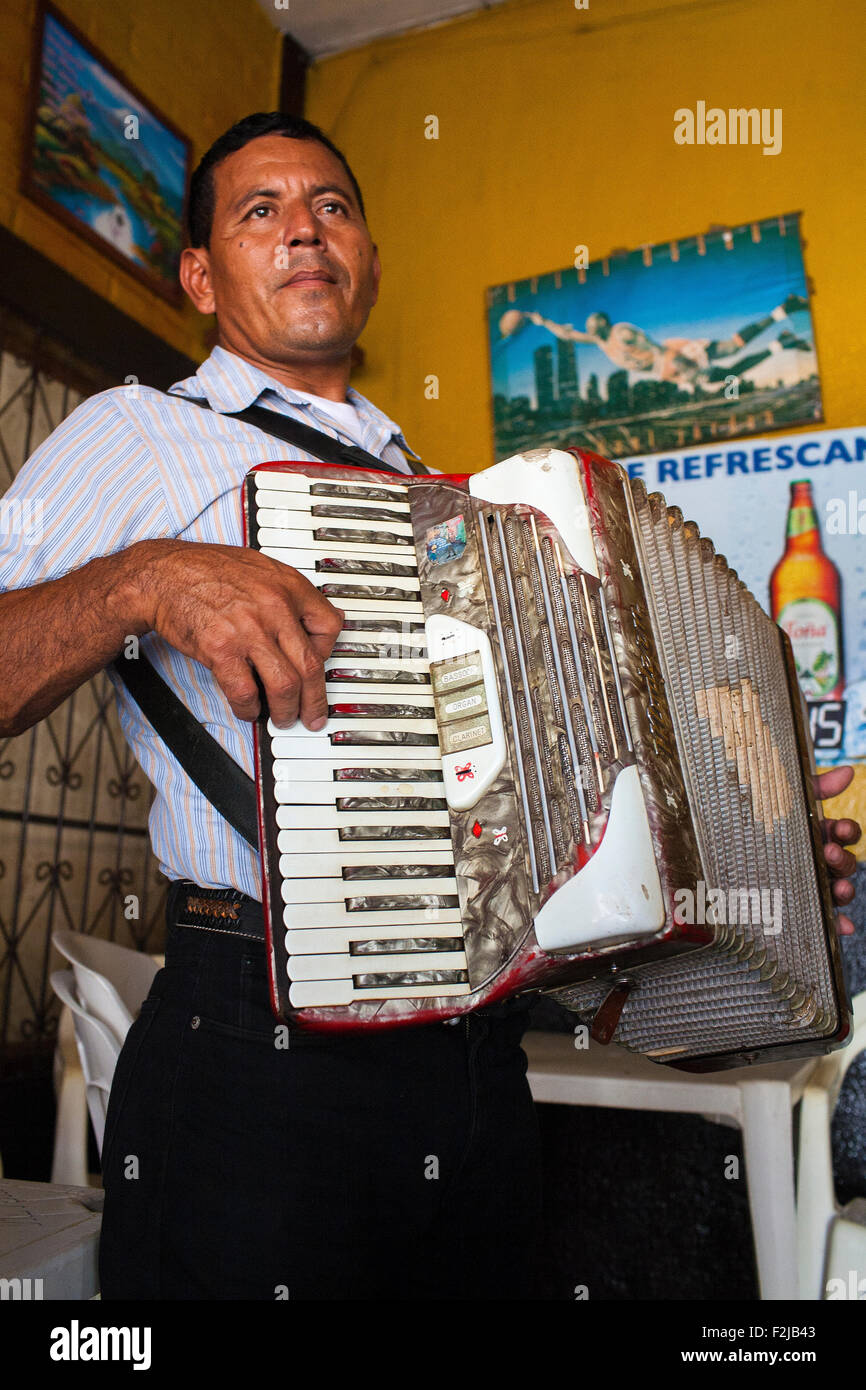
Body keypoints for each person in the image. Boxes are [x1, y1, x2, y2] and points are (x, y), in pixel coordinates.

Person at [0, 113, 859, 1300]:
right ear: (200, 275)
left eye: (333, 206)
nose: (304, 229)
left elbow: (530, 837)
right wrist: (142, 578)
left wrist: (738, 851)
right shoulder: (141, 435)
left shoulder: (451, 510)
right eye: (261, 211)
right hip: (256, 1047)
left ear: (367, 257)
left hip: (473, 1068)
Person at [502, 296, 813, 393]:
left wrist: (682, 366)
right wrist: (541, 322)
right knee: (729, 360)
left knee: (726, 364)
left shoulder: (620, 333)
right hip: (667, 364)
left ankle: (783, 317)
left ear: (604, 323)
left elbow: (654, 348)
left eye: (594, 323)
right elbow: (569, 335)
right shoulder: (602, 342)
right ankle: (781, 338)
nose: (589, 327)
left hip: (670, 358)